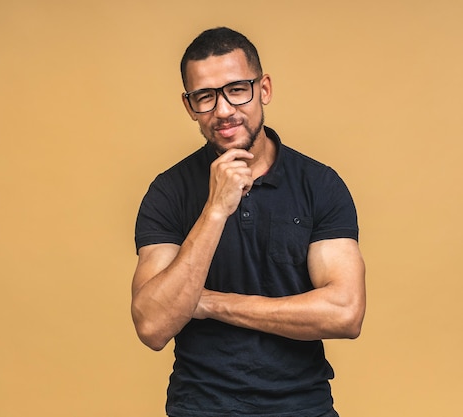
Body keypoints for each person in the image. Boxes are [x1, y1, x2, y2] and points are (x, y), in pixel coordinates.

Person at [131, 27, 366, 417]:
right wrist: (215, 210)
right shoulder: (169, 191)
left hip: (303, 407)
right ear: (190, 106)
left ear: (264, 89)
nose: (223, 110)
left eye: (237, 89)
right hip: (201, 407)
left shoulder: (319, 184)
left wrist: (207, 303)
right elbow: (153, 325)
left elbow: (345, 313)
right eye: (205, 97)